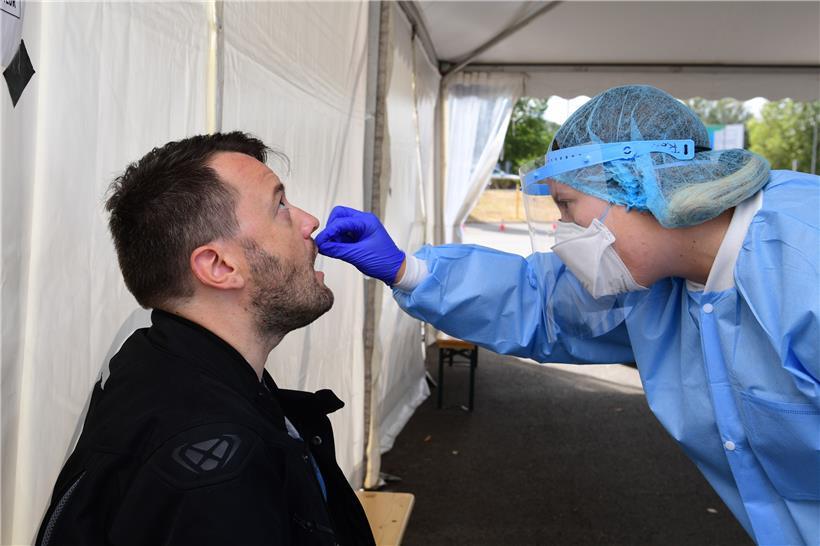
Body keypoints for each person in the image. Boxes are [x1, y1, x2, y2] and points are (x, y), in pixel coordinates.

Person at [316, 85, 819, 545]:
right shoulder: (663, 280)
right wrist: (410, 271)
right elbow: (541, 302)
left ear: (636, 181)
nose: (563, 231)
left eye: (567, 205)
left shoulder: (803, 260)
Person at [36, 132, 375, 546]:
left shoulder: (156, 355)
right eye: (281, 206)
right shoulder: (219, 477)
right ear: (218, 265)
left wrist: (410, 274)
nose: (310, 223)